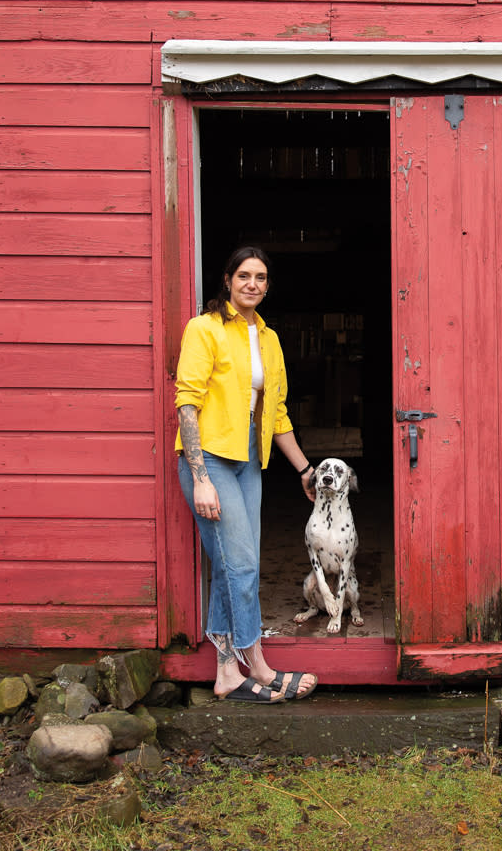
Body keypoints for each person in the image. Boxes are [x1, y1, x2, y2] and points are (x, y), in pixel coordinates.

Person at [175, 245, 319, 703]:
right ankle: (251, 661)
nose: (252, 284)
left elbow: (276, 414)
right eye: (244, 276)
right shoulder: (205, 329)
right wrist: (199, 477)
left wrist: (304, 468)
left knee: (234, 565)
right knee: (240, 565)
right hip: (211, 461)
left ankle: (226, 671)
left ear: (267, 285)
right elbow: (187, 405)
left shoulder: (269, 339)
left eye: (260, 277)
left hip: (248, 464)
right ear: (227, 280)